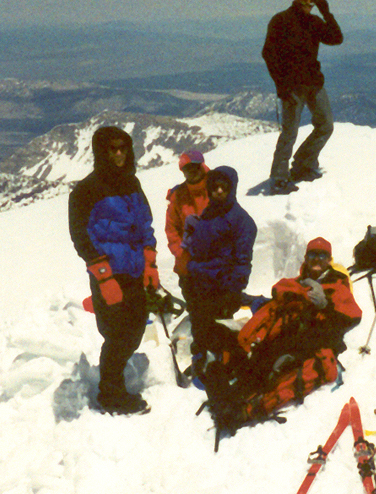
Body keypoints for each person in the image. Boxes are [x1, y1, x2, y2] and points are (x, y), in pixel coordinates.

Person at [204, 237, 362, 432]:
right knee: (260, 359)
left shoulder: (337, 284)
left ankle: (245, 408)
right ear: (306, 257)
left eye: (322, 255)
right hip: (284, 336)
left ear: (329, 260)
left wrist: (325, 305)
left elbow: (352, 316)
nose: (317, 259)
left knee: (280, 369)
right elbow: (278, 297)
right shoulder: (298, 282)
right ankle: (232, 393)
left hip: (311, 340)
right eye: (313, 254)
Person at [68, 125, 160, 414]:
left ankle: (114, 383)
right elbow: (81, 238)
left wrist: (150, 262)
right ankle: (110, 393)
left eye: (124, 148)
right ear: (101, 152)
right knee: (118, 334)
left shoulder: (132, 183)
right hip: (109, 274)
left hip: (133, 271)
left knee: (134, 329)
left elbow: (145, 223)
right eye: (113, 149)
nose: (119, 154)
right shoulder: (86, 190)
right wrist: (104, 277)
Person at [261, 0, 343, 194]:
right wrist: (281, 86)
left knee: (326, 126)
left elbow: (336, 38)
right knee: (289, 133)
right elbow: (268, 54)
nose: (308, 4)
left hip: (313, 84)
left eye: (312, 0)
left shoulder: (315, 22)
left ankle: (302, 165)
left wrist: (326, 13)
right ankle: (279, 178)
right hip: (292, 87)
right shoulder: (281, 21)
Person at [180, 165, 257, 374]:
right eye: (215, 187)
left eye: (224, 187)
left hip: (221, 286)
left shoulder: (241, 221)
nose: (219, 191)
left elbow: (242, 261)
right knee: (200, 324)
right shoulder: (209, 213)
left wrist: (233, 288)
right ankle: (203, 360)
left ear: (232, 188)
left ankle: (228, 366)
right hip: (200, 282)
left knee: (218, 329)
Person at [165, 149, 209, 281]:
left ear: (202, 166)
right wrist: (182, 254)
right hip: (188, 264)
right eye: (187, 169)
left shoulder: (216, 186)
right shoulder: (178, 196)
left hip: (217, 261)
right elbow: (171, 229)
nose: (192, 172)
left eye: (195, 167)